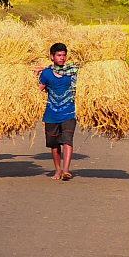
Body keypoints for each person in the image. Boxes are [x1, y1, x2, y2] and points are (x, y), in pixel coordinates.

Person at [38, 43, 79, 181]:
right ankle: (58, 170)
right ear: (52, 57)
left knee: (68, 140)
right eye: (59, 55)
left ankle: (66, 170)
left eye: (64, 55)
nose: (62, 58)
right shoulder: (47, 73)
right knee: (54, 144)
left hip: (69, 112)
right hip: (51, 113)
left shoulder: (73, 71)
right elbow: (39, 88)